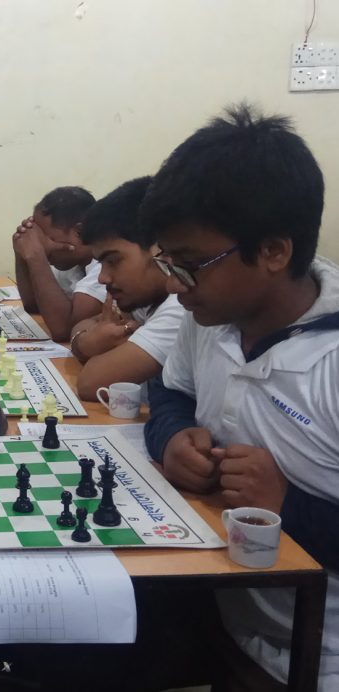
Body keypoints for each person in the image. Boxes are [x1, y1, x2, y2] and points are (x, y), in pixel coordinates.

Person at [141, 104, 339, 689]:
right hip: (225, 615)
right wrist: (171, 434)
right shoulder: (207, 317)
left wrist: (287, 506)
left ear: (274, 252)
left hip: (318, 656)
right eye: (167, 264)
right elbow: (169, 389)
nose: (175, 287)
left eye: (192, 265)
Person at [69, 176, 185, 401]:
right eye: (101, 264)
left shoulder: (180, 308)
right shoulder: (147, 299)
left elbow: (91, 383)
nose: (102, 278)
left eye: (113, 261)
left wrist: (90, 344)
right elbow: (83, 325)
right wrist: (86, 342)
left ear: (159, 248)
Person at [13, 186, 107, 341]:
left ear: (79, 233)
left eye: (45, 237)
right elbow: (34, 305)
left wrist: (37, 256)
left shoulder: (104, 267)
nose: (39, 243)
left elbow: (63, 330)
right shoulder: (71, 264)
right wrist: (22, 251)